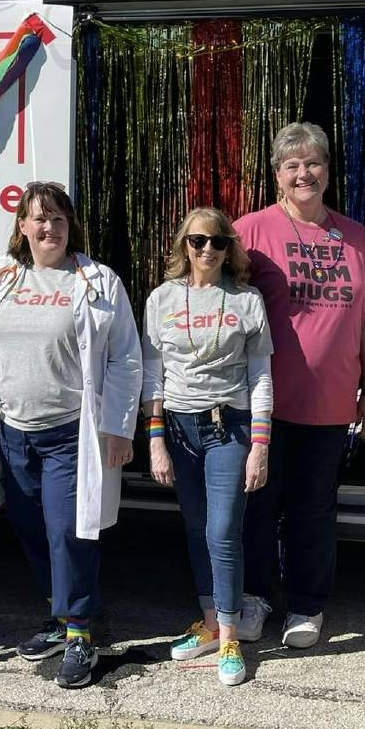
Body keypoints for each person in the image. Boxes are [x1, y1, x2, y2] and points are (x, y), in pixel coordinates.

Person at [0, 183, 142, 690]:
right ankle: (57, 615)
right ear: (22, 227)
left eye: (58, 219)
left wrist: (116, 426)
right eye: (38, 219)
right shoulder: (3, 280)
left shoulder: (97, 281)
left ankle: (80, 635)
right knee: (31, 530)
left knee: (68, 532)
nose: (49, 228)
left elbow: (126, 359)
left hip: (71, 432)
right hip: (13, 430)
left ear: (71, 226)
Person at [235, 123, 365, 649]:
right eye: (292, 165)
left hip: (330, 405)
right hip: (262, 404)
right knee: (256, 506)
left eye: (313, 163)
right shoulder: (249, 231)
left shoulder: (358, 237)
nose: (304, 174)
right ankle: (252, 599)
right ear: (277, 176)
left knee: (314, 510)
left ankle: (305, 605)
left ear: (327, 170)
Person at [143, 208, 273, 686]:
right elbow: (151, 374)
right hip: (179, 428)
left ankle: (232, 634)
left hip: (229, 427)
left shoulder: (246, 300)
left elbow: (260, 376)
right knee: (196, 528)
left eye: (218, 242)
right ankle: (211, 623)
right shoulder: (161, 299)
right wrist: (155, 440)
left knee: (223, 530)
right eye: (198, 241)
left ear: (229, 248)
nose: (207, 251)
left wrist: (260, 444)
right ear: (184, 245)